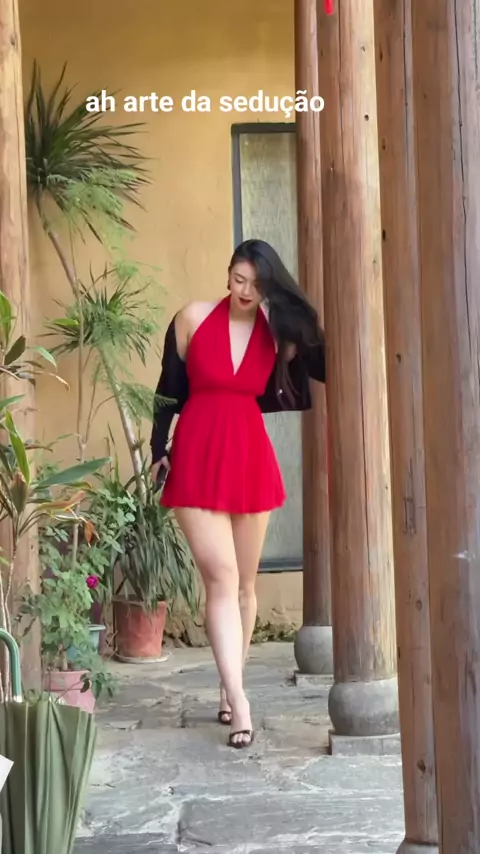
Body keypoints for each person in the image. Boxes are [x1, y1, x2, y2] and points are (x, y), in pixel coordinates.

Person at [150, 238, 326, 749]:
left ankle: (231, 686)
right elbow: (166, 391)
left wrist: (298, 319)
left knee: (246, 586)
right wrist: (158, 449)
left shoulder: (277, 331)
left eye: (256, 283)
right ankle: (241, 703)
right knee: (222, 579)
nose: (245, 291)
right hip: (197, 451)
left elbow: (321, 363)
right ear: (227, 275)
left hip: (249, 454)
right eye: (238, 279)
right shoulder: (192, 317)